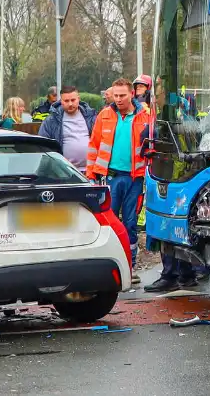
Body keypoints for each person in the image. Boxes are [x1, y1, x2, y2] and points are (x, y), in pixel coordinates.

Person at [86, 78, 149, 284]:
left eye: (123, 95)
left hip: (134, 178)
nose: (119, 99)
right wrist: (91, 173)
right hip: (111, 176)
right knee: (109, 222)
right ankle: (110, 265)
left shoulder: (144, 116)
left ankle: (129, 267)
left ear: (132, 94)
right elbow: (94, 145)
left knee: (130, 222)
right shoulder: (104, 116)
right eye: (116, 95)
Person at [39, 85, 96, 170]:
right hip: (64, 173)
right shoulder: (51, 121)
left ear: (78, 99)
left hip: (90, 172)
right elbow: (43, 145)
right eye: (66, 101)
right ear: (61, 101)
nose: (70, 104)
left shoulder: (90, 117)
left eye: (73, 100)